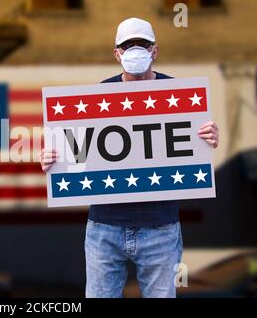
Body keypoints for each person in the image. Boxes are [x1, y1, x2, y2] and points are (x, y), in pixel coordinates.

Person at [39, 18, 219, 298]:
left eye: (142, 44)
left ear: (154, 51)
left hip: (161, 228)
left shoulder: (181, 95)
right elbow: (80, 154)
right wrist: (54, 158)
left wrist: (208, 138)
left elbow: (194, 142)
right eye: (127, 45)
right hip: (104, 228)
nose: (135, 50)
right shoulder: (98, 96)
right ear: (117, 53)